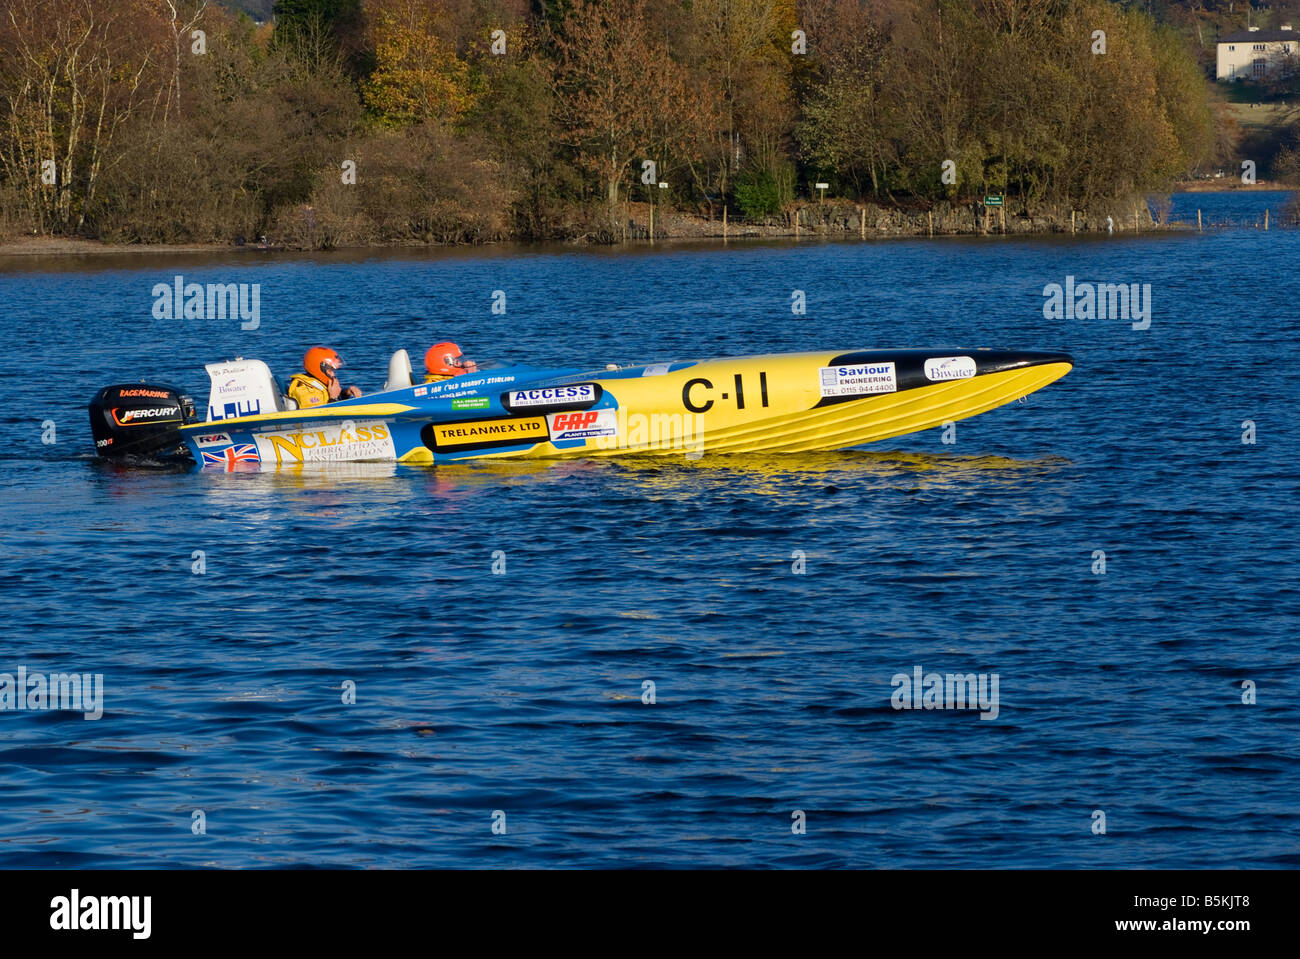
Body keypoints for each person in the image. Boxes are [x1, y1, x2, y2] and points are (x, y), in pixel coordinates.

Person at [287, 346, 363, 409]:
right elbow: (317, 420)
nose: (333, 375)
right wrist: (333, 398)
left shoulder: (317, 384)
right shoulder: (306, 392)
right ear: (319, 369)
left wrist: (345, 393)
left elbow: (326, 401)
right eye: (330, 370)